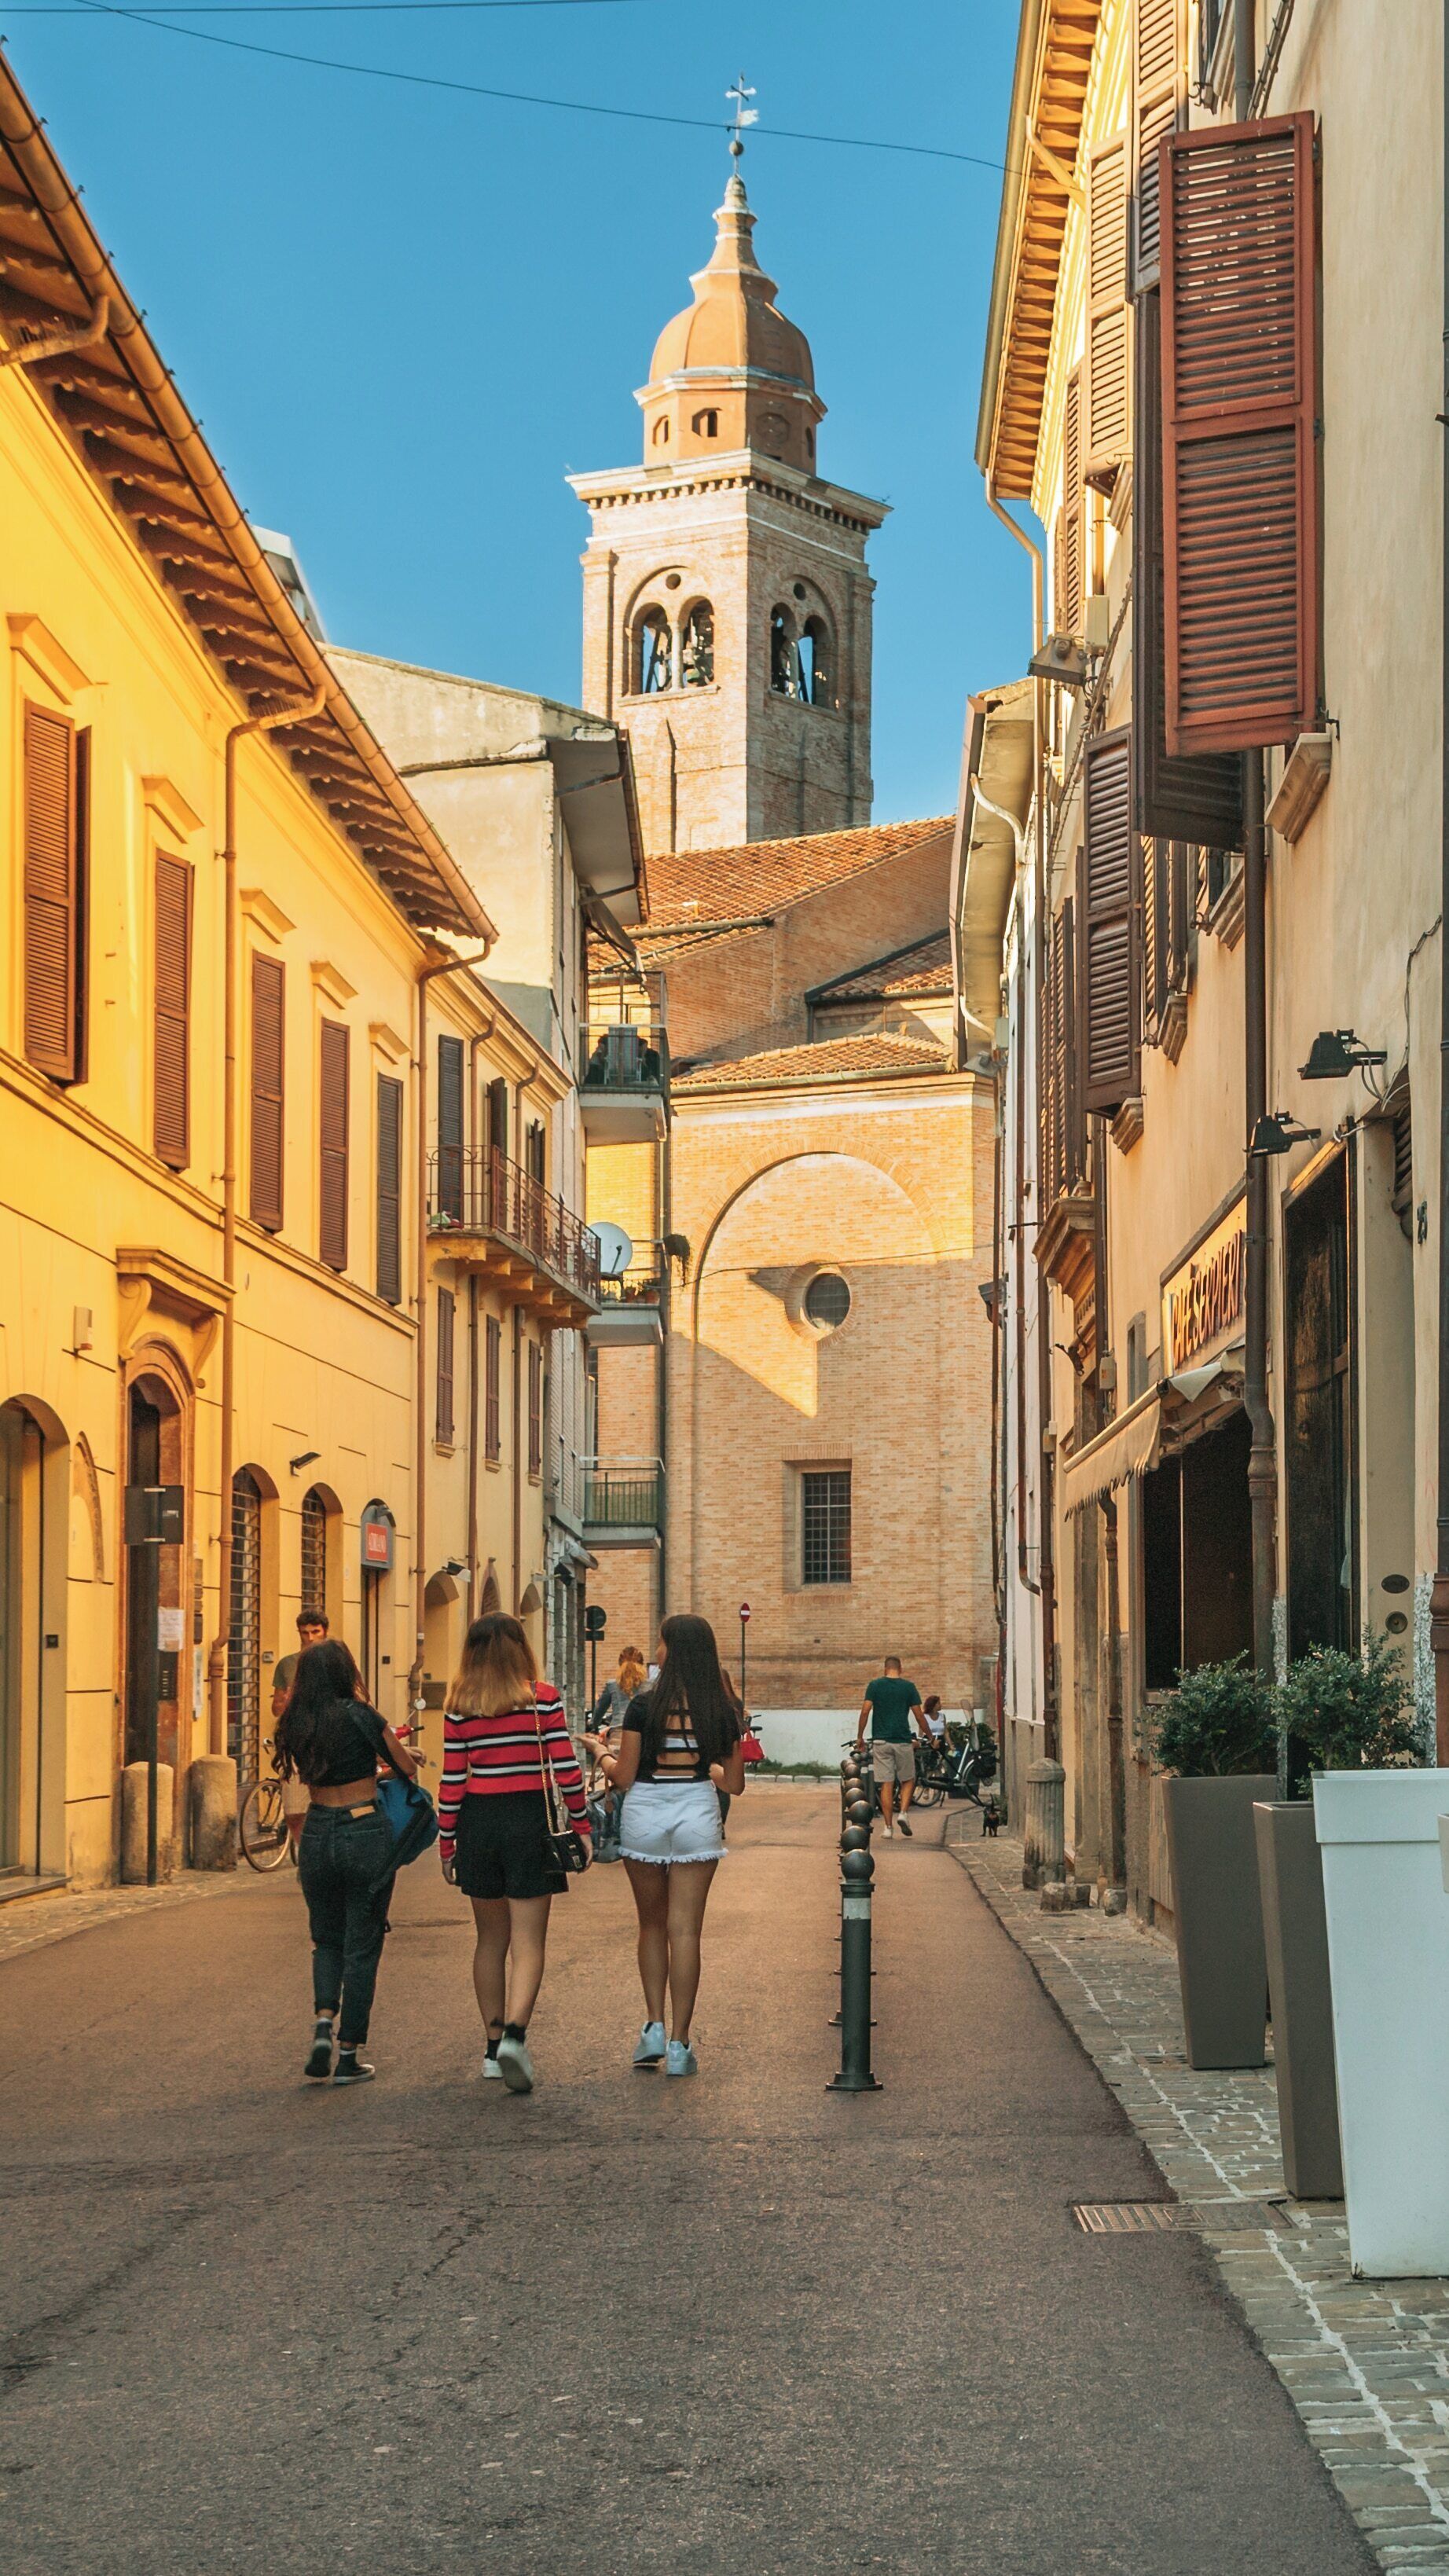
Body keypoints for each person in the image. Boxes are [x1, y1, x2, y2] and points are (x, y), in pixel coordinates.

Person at [438, 1612, 590, 2095]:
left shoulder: (459, 1707)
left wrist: (447, 1842)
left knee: (489, 1941)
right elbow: (565, 1766)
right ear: (521, 1648)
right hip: (528, 1824)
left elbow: (452, 1782)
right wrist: (582, 1825)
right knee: (529, 1940)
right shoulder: (541, 1700)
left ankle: (491, 2045)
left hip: (478, 1824)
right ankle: (517, 2037)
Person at [603, 1613, 746, 2077]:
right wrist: (705, 1772)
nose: (656, 1652)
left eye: (660, 1644)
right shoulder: (722, 1711)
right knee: (686, 1932)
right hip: (697, 1811)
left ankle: (654, 2028)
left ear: (673, 1650)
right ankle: (682, 2045)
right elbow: (735, 1783)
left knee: (651, 1927)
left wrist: (598, 1754)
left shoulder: (643, 1705)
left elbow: (623, 1776)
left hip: (645, 1810)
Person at [273, 1636, 418, 2085]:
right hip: (363, 1831)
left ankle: (322, 2023)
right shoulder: (361, 1715)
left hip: (317, 1832)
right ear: (345, 1673)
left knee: (326, 1939)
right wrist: (388, 1767)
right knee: (362, 1945)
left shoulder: (295, 1722)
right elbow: (406, 1768)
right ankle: (349, 2053)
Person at [272, 1611, 329, 1849]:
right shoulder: (287, 1664)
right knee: (294, 1810)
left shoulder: (333, 1662)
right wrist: (283, 1703)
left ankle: (322, 1854)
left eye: (315, 1632)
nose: (310, 1638)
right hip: (295, 1742)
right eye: (305, 1632)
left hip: (326, 1740)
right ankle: (306, 1857)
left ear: (325, 1631)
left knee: (327, 1805)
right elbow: (275, 1708)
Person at [856, 1656, 925, 1839]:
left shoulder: (875, 1686)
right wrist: (931, 1737)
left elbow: (865, 1710)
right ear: (900, 1668)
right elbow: (919, 1715)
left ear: (885, 1669)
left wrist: (860, 1736)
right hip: (902, 1740)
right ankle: (903, 1813)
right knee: (908, 1779)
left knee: (887, 1784)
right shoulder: (908, 1687)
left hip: (881, 1741)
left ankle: (888, 1827)